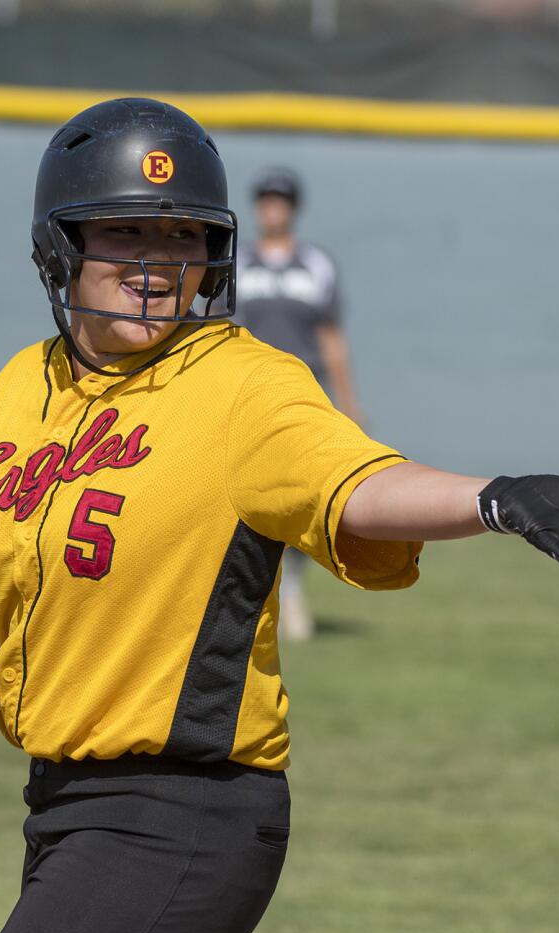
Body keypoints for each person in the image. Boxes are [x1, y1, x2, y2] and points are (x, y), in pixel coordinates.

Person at [0, 98, 559, 933]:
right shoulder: (13, 392)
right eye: (126, 233)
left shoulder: (243, 385)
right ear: (59, 247)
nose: (158, 262)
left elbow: (360, 483)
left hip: (186, 817)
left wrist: (493, 496)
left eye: (183, 236)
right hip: (62, 814)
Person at [215, 167, 359, 641]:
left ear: (293, 209)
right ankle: (252, 596)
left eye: (282, 201)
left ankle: (291, 587)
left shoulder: (317, 265)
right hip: (245, 396)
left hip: (304, 399)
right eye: (266, 200)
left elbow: (331, 338)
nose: (273, 208)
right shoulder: (237, 263)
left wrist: (348, 403)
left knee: (300, 497)